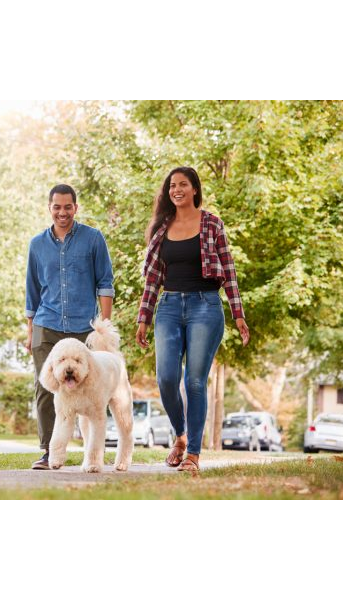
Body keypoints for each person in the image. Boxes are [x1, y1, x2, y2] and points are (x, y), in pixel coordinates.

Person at [135, 167, 249, 473]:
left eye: (183, 184)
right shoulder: (162, 228)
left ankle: (194, 455)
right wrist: (143, 317)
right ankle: (181, 436)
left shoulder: (212, 223)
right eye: (172, 185)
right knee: (166, 378)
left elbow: (229, 270)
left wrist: (238, 314)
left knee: (195, 381)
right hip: (169, 307)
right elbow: (152, 279)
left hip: (205, 307)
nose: (177, 189)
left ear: (194, 189)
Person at [25, 183, 115, 469]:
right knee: (46, 388)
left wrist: (103, 325)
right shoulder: (37, 245)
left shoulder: (93, 239)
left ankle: (92, 452)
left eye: (67, 207)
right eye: (56, 207)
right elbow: (32, 291)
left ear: (75, 208)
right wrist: (30, 333)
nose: (61, 212)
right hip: (46, 323)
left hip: (82, 327)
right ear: (49, 207)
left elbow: (105, 283)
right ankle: (49, 452)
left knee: (90, 388)